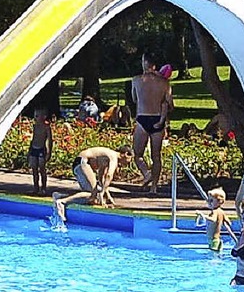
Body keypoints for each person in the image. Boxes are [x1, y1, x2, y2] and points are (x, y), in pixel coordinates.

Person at [53, 146, 133, 222]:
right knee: (92, 194)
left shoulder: (106, 157)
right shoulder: (113, 157)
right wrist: (102, 193)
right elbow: (109, 175)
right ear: (126, 154)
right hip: (82, 162)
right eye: (130, 159)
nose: (129, 163)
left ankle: (60, 196)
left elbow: (101, 176)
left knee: (93, 199)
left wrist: (107, 194)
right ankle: (62, 202)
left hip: (79, 163)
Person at [131, 52, 173, 194]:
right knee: (156, 156)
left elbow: (135, 99)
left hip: (143, 117)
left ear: (144, 63)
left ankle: (146, 174)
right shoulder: (165, 83)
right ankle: (154, 187)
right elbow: (170, 103)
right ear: (155, 65)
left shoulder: (136, 80)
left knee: (137, 154)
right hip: (157, 119)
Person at [195, 187, 235, 253]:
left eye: (211, 201)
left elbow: (213, 220)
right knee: (217, 255)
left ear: (220, 201)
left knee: (213, 256)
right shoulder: (222, 212)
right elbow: (229, 222)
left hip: (213, 240)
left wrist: (203, 215)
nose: (209, 203)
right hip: (217, 239)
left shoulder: (215, 211)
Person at [28, 108, 53, 195]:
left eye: (37, 116)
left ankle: (43, 188)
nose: (35, 118)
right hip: (34, 148)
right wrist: (30, 149)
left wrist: (49, 152)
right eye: (35, 116)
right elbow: (33, 138)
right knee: (34, 169)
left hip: (41, 149)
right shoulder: (35, 126)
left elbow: (49, 140)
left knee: (42, 169)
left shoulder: (46, 127)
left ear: (44, 117)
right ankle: (35, 188)